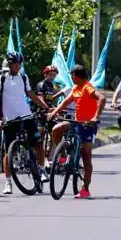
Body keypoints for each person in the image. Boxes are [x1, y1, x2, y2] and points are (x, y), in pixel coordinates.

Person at [0, 52, 52, 195]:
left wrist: (46, 108)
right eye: (14, 63)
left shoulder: (24, 77)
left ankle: (42, 171)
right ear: (10, 64)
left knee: (38, 143)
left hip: (27, 117)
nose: (17, 66)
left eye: (19, 64)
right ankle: (8, 183)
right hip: (9, 120)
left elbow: (31, 95)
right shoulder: (1, 79)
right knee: (8, 153)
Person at [48, 65, 105, 199]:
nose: (71, 77)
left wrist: (95, 117)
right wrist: (54, 112)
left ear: (77, 76)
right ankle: (62, 155)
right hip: (77, 122)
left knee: (86, 155)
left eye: (72, 75)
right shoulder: (75, 88)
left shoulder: (87, 87)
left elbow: (102, 99)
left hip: (88, 125)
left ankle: (85, 188)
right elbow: (66, 102)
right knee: (56, 129)